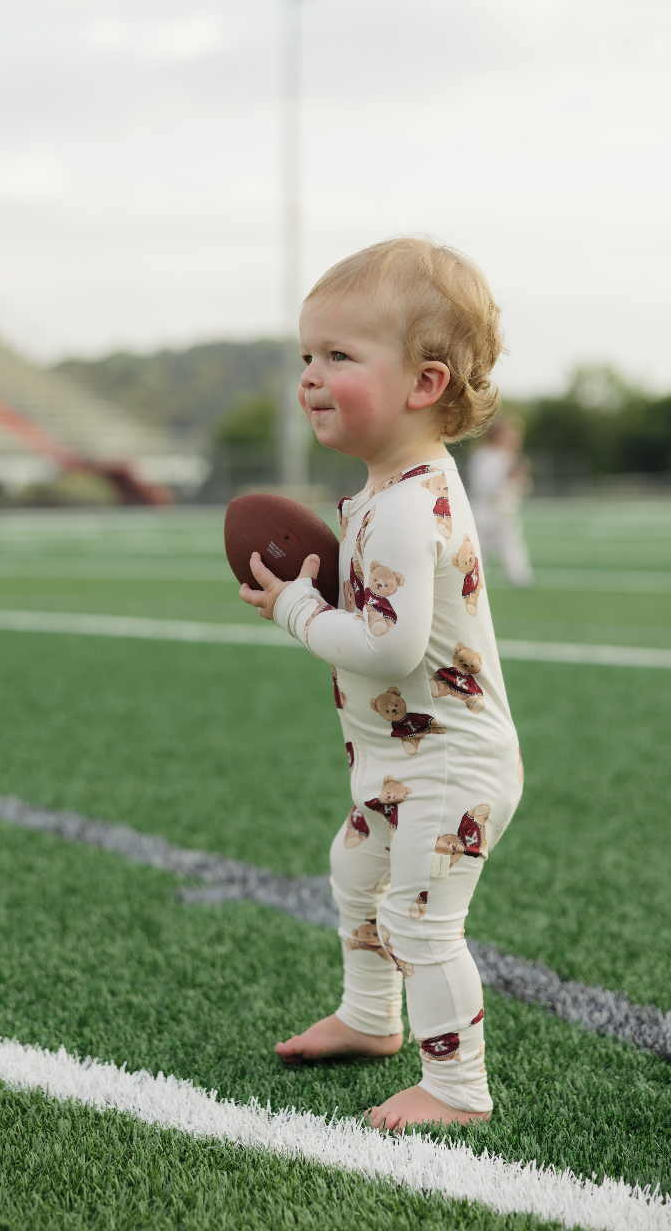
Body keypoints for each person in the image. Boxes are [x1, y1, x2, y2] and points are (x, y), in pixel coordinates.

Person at [239, 237, 523, 1130]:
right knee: (353, 869)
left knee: (420, 922)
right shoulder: (388, 487)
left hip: (448, 764)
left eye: (339, 357)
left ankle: (457, 1089)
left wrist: (295, 609)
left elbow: (390, 649)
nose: (311, 378)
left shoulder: (405, 505)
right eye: (306, 357)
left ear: (424, 385)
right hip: (403, 757)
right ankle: (371, 1019)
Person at [466, 416, 535, 588]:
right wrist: (506, 476)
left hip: (504, 510)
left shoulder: (509, 457)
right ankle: (475, 580)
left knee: (511, 542)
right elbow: (481, 486)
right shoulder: (482, 457)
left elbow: (521, 488)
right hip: (484, 510)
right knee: (479, 548)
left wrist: (521, 478)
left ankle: (520, 576)